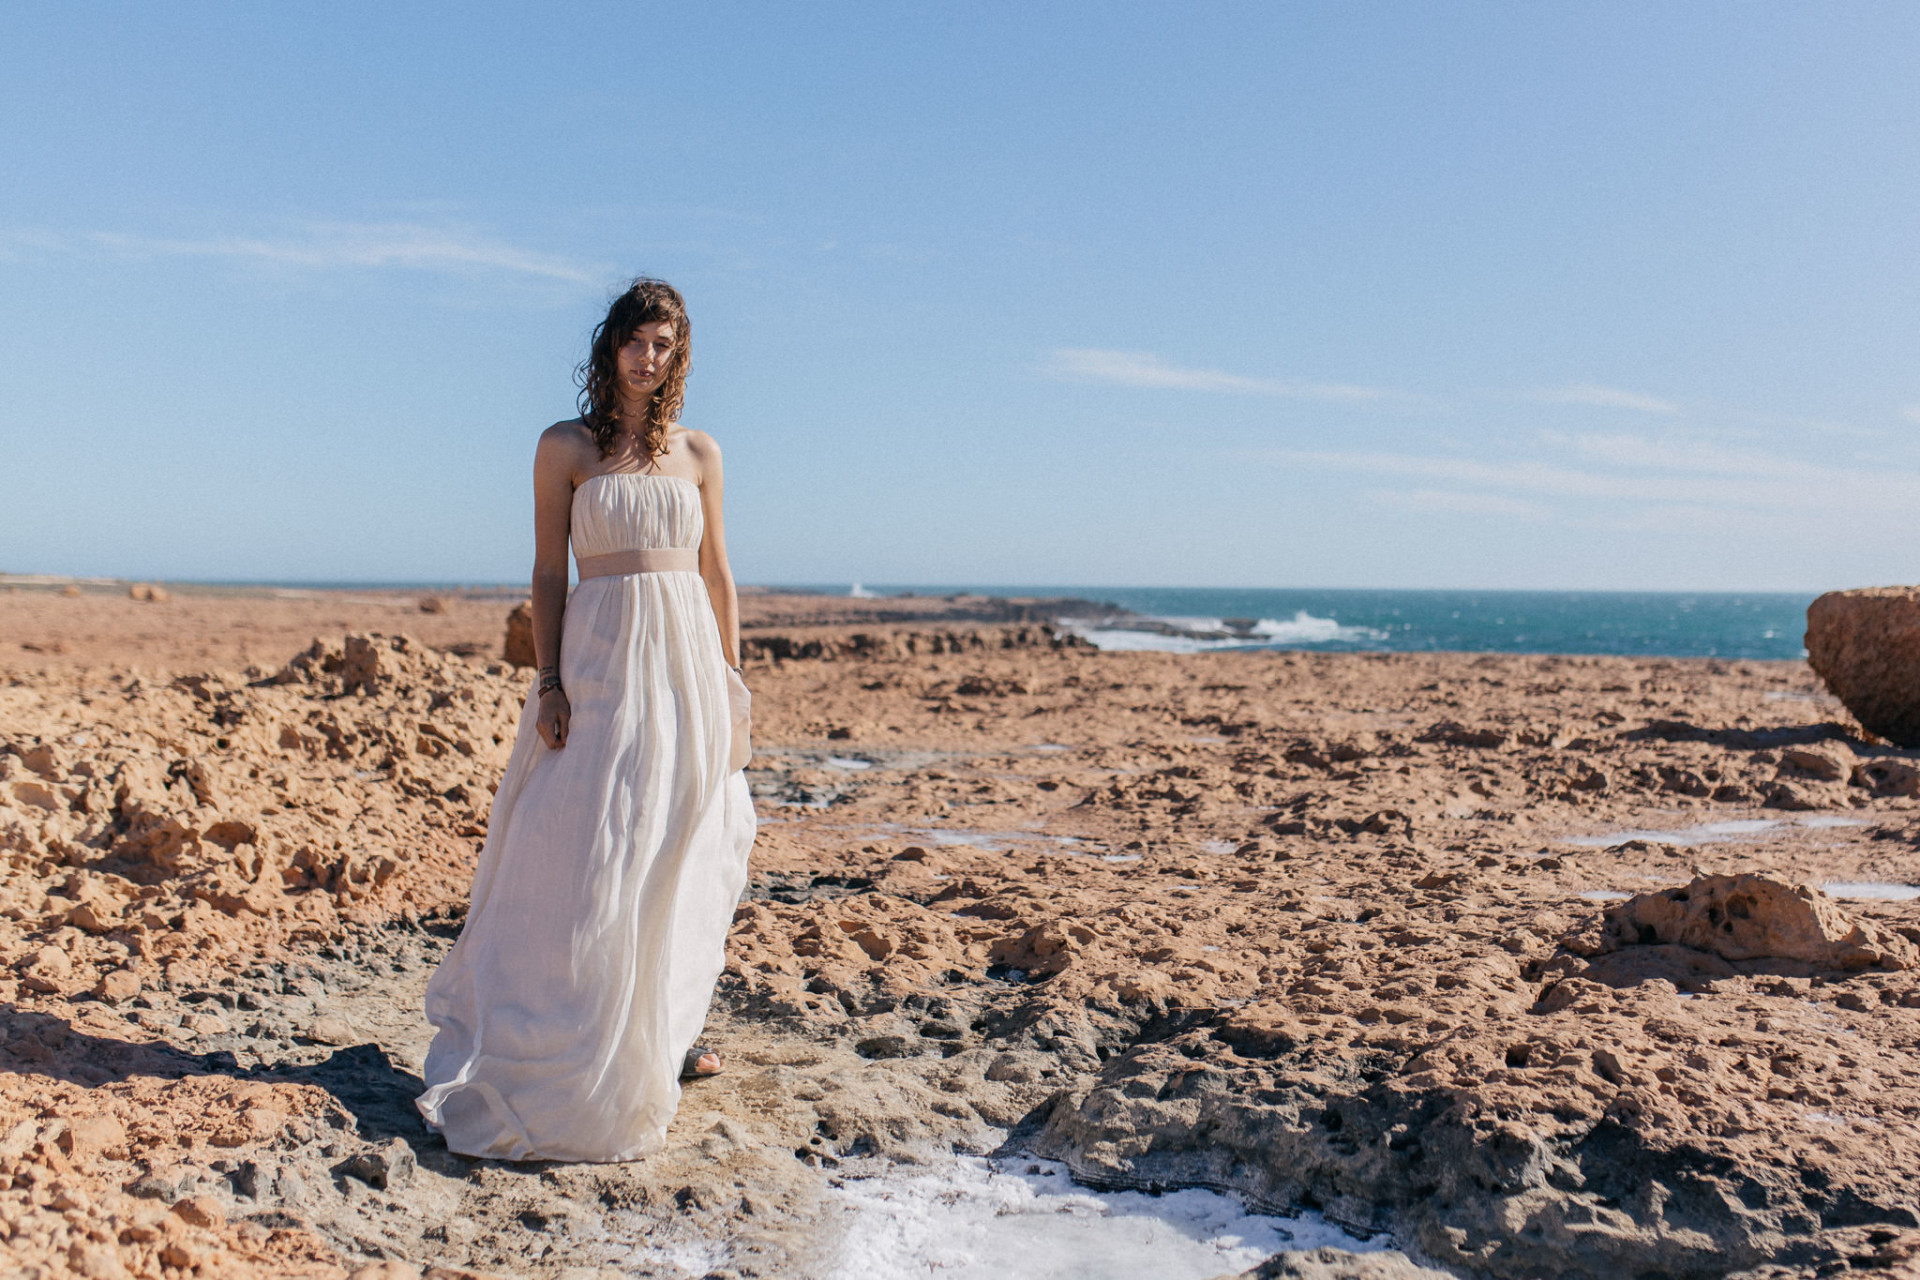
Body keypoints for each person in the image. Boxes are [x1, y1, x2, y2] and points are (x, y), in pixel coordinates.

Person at [415, 278, 756, 1162]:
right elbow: (546, 576)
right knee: (582, 843)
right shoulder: (564, 446)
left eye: (667, 346)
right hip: (602, 665)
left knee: (683, 842)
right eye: (638, 342)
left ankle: (668, 1035)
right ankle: (564, 1032)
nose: (652, 358)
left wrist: (730, 678)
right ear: (612, 347)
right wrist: (552, 680)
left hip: (685, 667)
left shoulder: (700, 452)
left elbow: (717, 575)